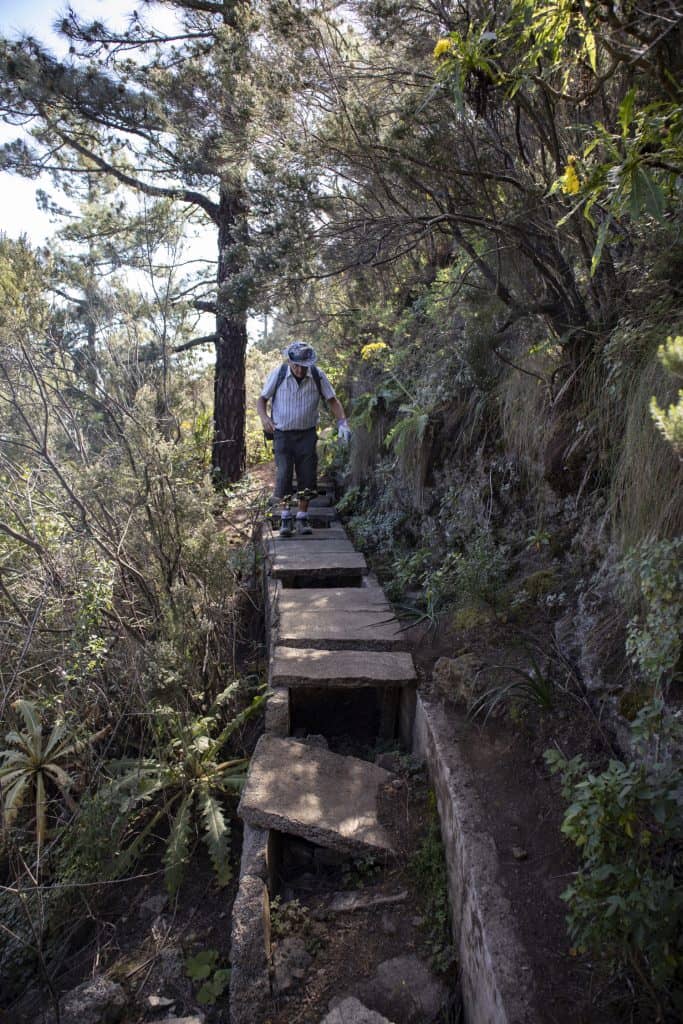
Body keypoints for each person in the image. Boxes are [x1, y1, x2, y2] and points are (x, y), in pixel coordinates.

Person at [257, 341, 351, 536]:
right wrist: (265, 418)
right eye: (296, 365)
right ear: (290, 362)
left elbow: (332, 400)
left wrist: (342, 422)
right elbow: (262, 399)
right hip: (282, 433)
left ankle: (301, 516)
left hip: (307, 434)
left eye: (303, 366)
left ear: (309, 363)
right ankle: (285, 517)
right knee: (284, 474)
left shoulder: (317, 375)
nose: (299, 370)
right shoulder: (279, 374)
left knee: (307, 476)